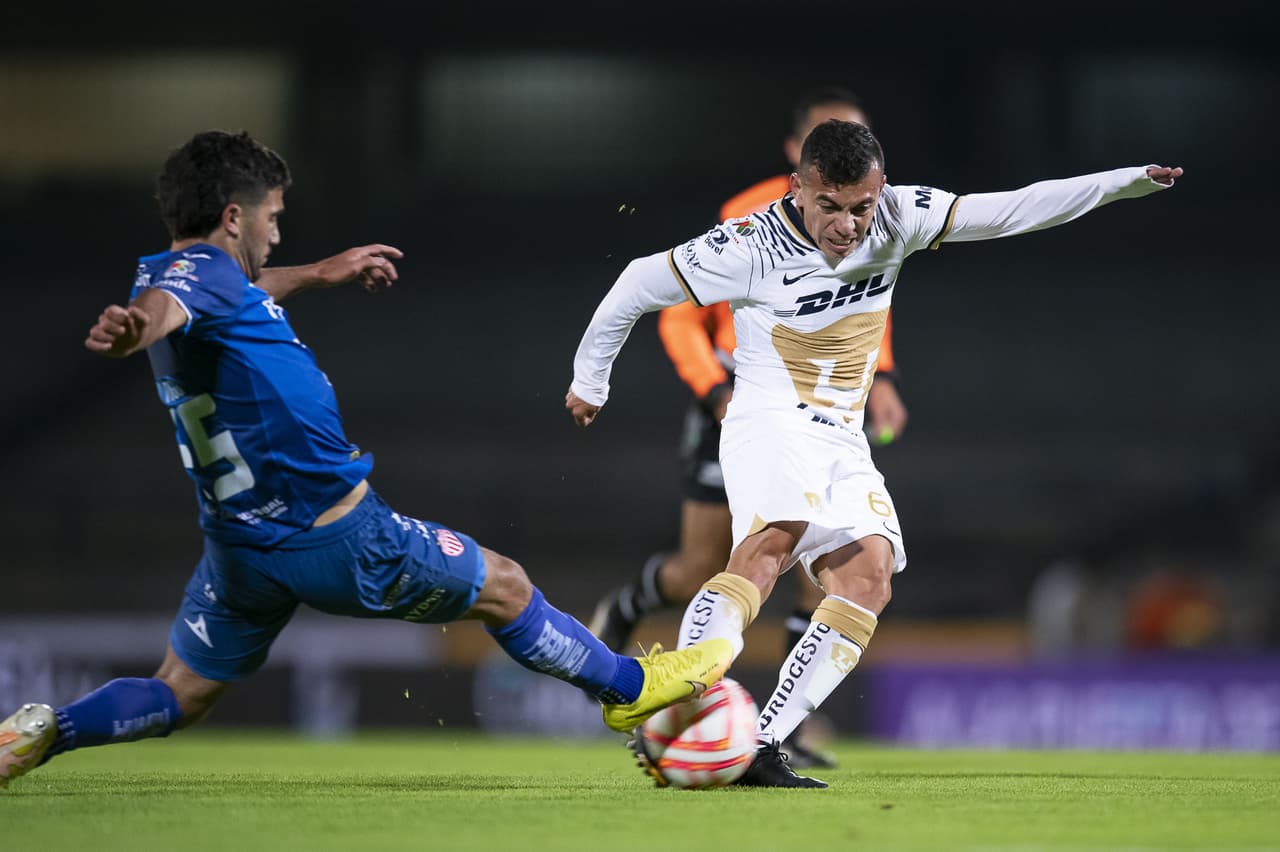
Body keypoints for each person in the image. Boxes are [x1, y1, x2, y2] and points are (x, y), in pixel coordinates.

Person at [0, 129, 732, 788]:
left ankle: (45, 730)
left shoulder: (189, 277)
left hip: (240, 552)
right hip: (338, 537)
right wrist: (135, 329)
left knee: (179, 692)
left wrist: (322, 272)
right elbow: (167, 308)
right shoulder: (183, 287)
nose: (276, 232)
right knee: (505, 585)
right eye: (272, 217)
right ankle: (626, 688)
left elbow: (222, 294)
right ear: (233, 217)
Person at [566, 118, 1181, 787]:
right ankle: (677, 701)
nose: (848, 225)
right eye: (828, 206)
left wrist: (1123, 182)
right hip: (768, 420)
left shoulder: (899, 214)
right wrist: (590, 381)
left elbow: (1013, 209)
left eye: (860, 207)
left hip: (841, 434)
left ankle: (762, 742)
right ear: (798, 188)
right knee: (769, 549)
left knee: (870, 574)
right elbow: (637, 282)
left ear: (879, 190)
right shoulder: (749, 245)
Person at [587, 85, 906, 769]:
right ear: (797, 152)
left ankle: (778, 732)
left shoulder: (869, 217)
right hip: (739, 400)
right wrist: (714, 390)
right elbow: (680, 310)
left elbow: (861, 309)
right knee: (705, 566)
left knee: (829, 567)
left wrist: (880, 379)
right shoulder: (751, 214)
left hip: (819, 413)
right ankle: (634, 611)